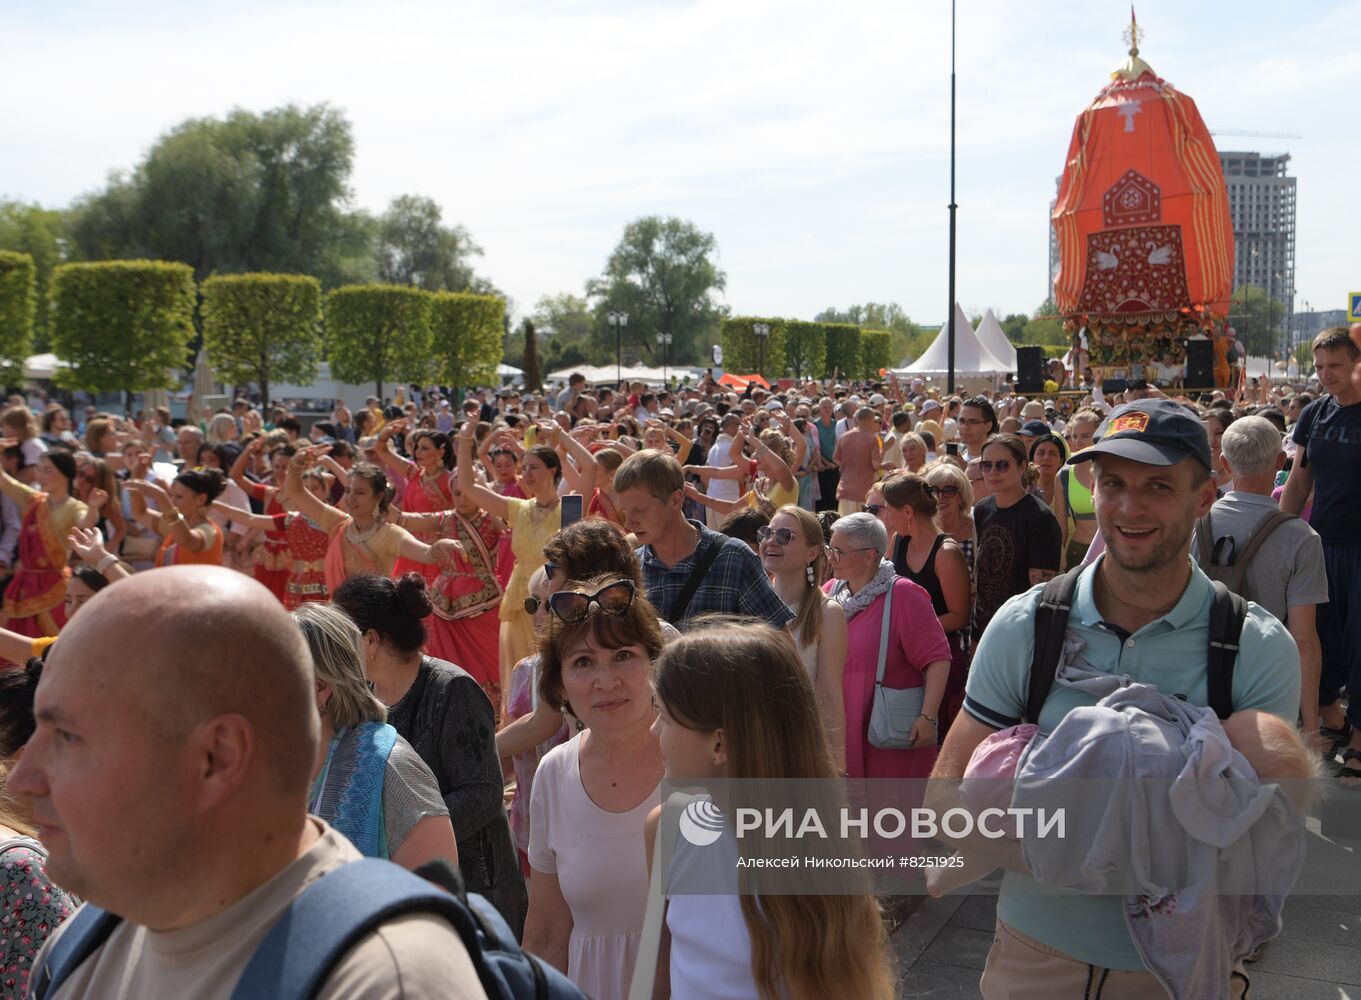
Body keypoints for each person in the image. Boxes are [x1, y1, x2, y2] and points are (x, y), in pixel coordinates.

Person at [930, 398, 1310, 997]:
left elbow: (1264, 828)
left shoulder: (1255, 646)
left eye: (1158, 486)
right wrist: (1094, 852)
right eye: (1113, 483)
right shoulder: (1026, 624)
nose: (1130, 507)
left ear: (1204, 496)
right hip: (1036, 958)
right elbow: (945, 800)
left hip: (1178, 973)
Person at [15, 566, 486, 997]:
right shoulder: (76, 950)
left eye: (70, 737)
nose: (22, 779)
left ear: (219, 755)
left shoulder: (385, 980)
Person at [643, 622, 894, 1000]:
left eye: (663, 714)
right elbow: (654, 971)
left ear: (719, 744)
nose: (653, 730)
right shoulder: (667, 828)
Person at [331, 572, 526, 935]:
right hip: (404, 884)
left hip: (474, 888)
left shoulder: (452, 689)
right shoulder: (363, 698)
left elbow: (483, 793)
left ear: (370, 640)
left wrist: (409, 835)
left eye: (342, 637)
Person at [521, 574, 666, 1000]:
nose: (605, 682)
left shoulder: (706, 761)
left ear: (655, 662)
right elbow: (546, 936)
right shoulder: (552, 774)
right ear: (560, 684)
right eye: (583, 662)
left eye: (623, 655)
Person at [291, 602, 458, 871]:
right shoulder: (282, 764)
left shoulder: (394, 770)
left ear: (320, 688)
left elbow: (436, 896)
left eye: (273, 679)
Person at [455, 421, 599, 714]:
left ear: (552, 470)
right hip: (517, 602)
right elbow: (468, 487)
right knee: (517, 680)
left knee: (550, 678)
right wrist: (465, 439)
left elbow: (591, 467)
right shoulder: (518, 508)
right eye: (525, 467)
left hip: (554, 602)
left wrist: (562, 437)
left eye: (534, 466)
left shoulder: (569, 507)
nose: (527, 473)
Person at [1205, 415, 1328, 752]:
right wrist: (1312, 728)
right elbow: (1304, 640)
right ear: (1279, 462)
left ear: (1225, 464)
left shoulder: (1193, 524)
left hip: (1198, 676)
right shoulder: (1301, 537)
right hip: (1270, 681)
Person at [1281, 326, 1361, 780]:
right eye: (1319, 367)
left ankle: (1359, 741)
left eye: (1335, 365)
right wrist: (1278, 530)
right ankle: (1331, 714)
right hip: (1322, 547)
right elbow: (1299, 481)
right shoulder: (1316, 414)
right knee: (1319, 639)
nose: (1325, 375)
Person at [826, 513, 950, 779]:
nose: (830, 558)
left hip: (886, 731)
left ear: (869, 555)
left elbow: (937, 658)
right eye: (829, 549)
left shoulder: (905, 595)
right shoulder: (829, 592)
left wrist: (928, 717)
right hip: (840, 724)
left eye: (838, 551)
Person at [614, 450, 795, 631]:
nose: (629, 523)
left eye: (639, 510)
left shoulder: (733, 558)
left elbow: (781, 644)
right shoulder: (631, 569)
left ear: (675, 499)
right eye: (625, 511)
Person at [284, 446, 460, 589]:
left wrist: (439, 547)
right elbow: (296, 491)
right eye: (348, 491)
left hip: (373, 623)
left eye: (360, 493)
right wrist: (296, 464)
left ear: (378, 496)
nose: (350, 499)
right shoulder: (337, 523)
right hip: (340, 617)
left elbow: (427, 554)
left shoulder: (389, 534)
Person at [882, 473, 973, 738]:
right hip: (904, 659)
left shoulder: (946, 553)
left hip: (939, 660)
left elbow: (960, 616)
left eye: (890, 511)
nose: (887, 519)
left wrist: (913, 629)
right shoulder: (898, 542)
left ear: (907, 511)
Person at [759, 506, 847, 767]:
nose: (771, 541)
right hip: (751, 747)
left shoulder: (827, 613)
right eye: (767, 532)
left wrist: (837, 765)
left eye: (785, 535)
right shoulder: (750, 602)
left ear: (812, 552)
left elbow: (829, 695)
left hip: (798, 749)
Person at [972, 434, 1062, 637]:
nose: (993, 472)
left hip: (1019, 631)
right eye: (986, 465)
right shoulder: (982, 510)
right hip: (983, 626)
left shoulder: (1041, 518)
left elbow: (1040, 592)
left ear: (1022, 466)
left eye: (1002, 465)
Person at [0, 449, 88, 642]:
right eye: (39, 470)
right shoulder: (34, 500)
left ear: (66, 473)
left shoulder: (75, 507)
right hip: (26, 584)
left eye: (47, 470)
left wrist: (96, 508)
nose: (41, 476)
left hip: (55, 587)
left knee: (56, 644)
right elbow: (4, 481)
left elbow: (86, 521)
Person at [375, 421, 455, 584]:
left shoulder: (450, 481)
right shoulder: (413, 473)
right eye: (417, 447)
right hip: (411, 548)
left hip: (437, 553)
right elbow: (381, 449)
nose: (418, 452)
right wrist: (385, 434)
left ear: (440, 452)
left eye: (425, 448)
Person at [126, 466, 228, 568]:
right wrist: (135, 482)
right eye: (171, 495)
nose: (172, 502)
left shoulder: (210, 531)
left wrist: (161, 497)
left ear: (201, 499)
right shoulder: (174, 524)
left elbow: (187, 540)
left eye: (179, 497)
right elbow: (140, 513)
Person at [1054, 408, 1102, 570]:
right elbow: (1062, 527)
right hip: (1078, 552)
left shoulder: (1115, 470)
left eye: (1085, 436)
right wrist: (1059, 555)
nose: (1078, 442)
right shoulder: (1064, 475)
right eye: (1074, 436)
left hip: (1112, 551)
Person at [831, 408, 885, 516]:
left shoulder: (844, 436)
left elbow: (836, 459)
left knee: (846, 527)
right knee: (862, 529)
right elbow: (875, 465)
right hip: (864, 491)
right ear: (871, 420)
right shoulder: (871, 439)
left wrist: (847, 465)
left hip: (845, 488)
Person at [1029, 432, 1068, 510]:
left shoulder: (1068, 491)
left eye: (1053, 454)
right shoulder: (1023, 489)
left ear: (1061, 461)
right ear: (1032, 459)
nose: (1046, 458)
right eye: (1041, 453)